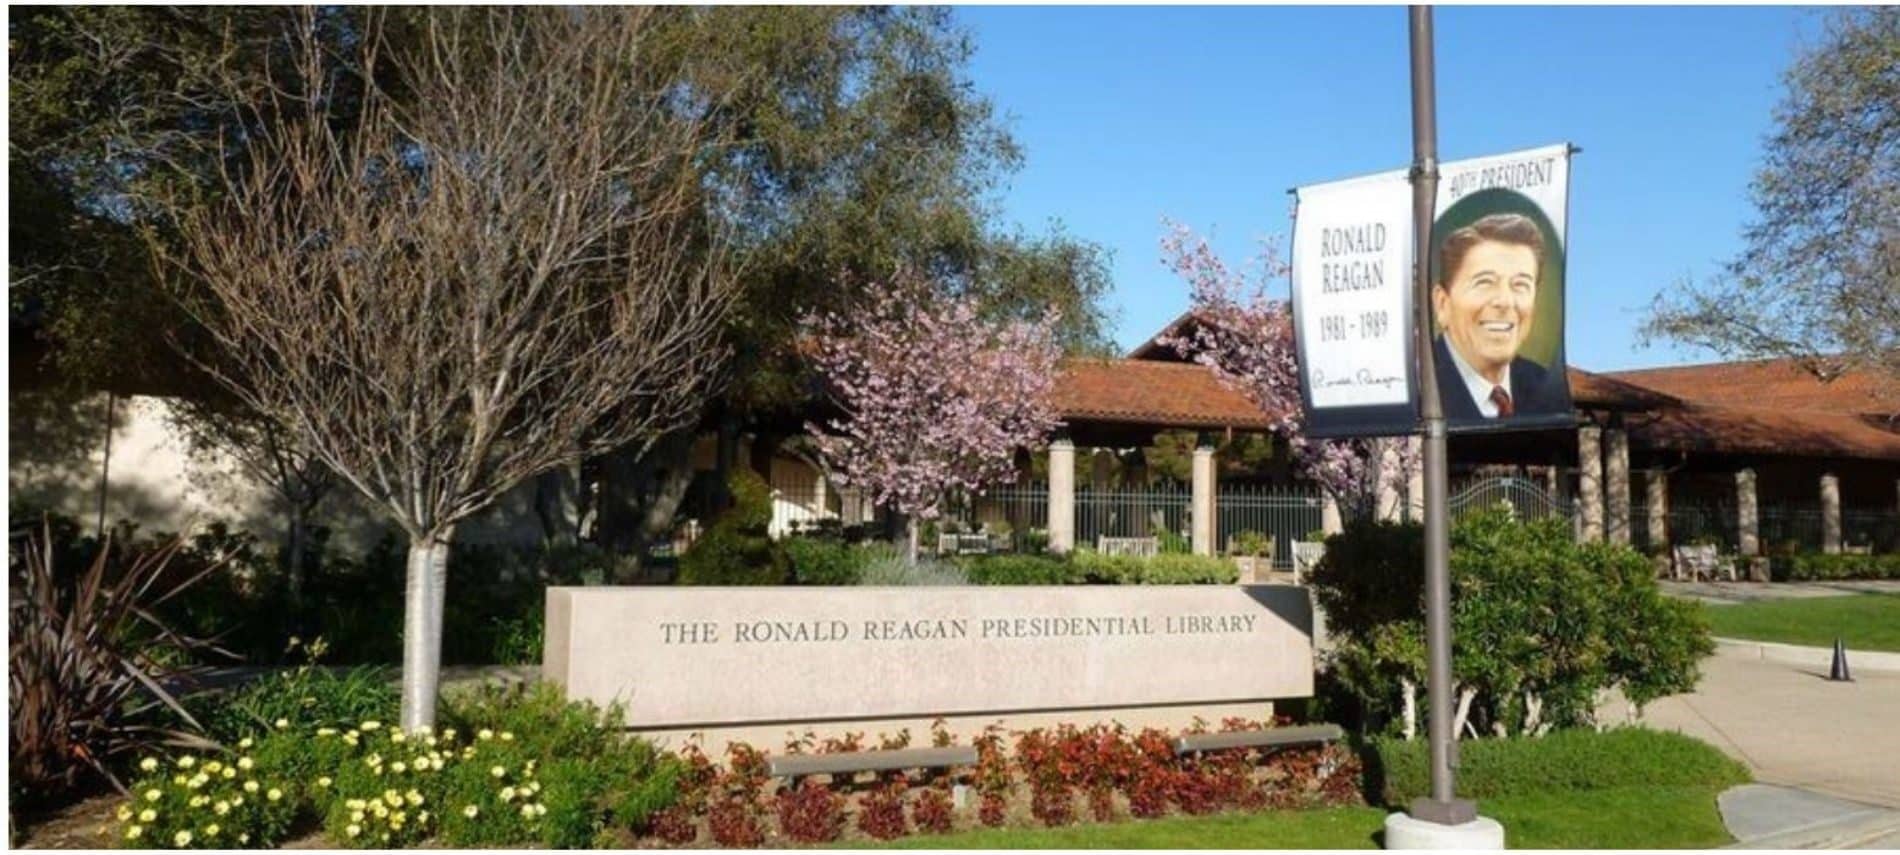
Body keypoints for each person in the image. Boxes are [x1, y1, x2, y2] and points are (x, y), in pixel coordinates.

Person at [1430, 212, 1567, 421]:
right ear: (1443, 303)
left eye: (1520, 284)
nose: (1504, 301)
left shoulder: (1546, 390)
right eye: (1484, 282)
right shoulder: (1418, 390)